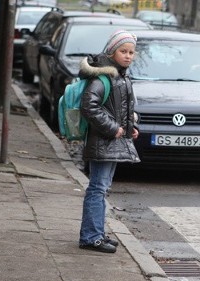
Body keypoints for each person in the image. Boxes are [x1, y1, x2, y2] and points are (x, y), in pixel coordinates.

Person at [78, 30, 140, 253]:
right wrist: (114, 129)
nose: (128, 56)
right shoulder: (103, 78)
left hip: (112, 142)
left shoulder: (121, 77)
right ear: (112, 52)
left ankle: (96, 233)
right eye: (123, 51)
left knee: (102, 188)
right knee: (98, 188)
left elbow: (123, 110)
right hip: (103, 141)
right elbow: (89, 107)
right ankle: (91, 237)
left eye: (131, 52)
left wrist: (132, 127)